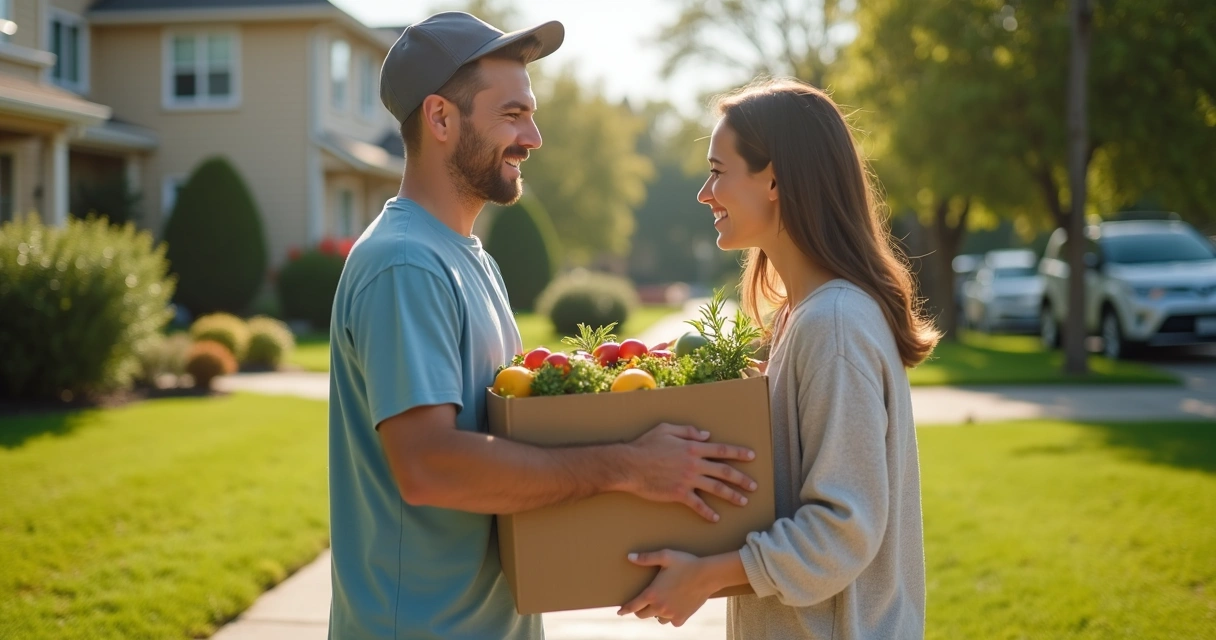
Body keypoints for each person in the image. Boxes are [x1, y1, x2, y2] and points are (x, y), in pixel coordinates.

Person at [327, 12, 759, 640]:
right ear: (440, 118)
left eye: (530, 113)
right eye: (511, 115)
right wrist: (628, 465)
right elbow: (431, 466)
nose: (533, 136)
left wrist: (629, 378)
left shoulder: (466, 256)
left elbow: (506, 420)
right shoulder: (405, 264)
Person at [616, 77, 940, 639]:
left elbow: (843, 528)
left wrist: (706, 577)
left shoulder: (834, 324)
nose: (704, 192)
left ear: (774, 180)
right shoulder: (805, 316)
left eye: (718, 171)